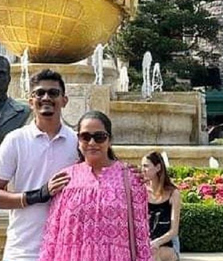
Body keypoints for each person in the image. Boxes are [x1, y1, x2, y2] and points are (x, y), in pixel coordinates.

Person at [0, 69, 77, 261]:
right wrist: (39, 195)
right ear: (30, 101)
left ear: (64, 100)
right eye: (39, 93)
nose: (46, 98)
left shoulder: (77, 142)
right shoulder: (15, 140)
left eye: (53, 93)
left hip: (67, 251)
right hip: (23, 251)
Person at [38, 110, 151, 261]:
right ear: (78, 141)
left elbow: (142, 237)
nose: (92, 143)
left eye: (99, 137)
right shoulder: (65, 179)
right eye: (85, 137)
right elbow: (52, 236)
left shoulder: (131, 179)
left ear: (109, 140)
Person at [143, 152, 181, 261]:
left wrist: (156, 243)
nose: (142, 169)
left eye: (146, 166)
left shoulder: (173, 193)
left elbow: (174, 231)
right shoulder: (141, 191)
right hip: (146, 242)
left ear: (158, 167)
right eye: (142, 166)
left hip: (168, 243)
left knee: (153, 254)